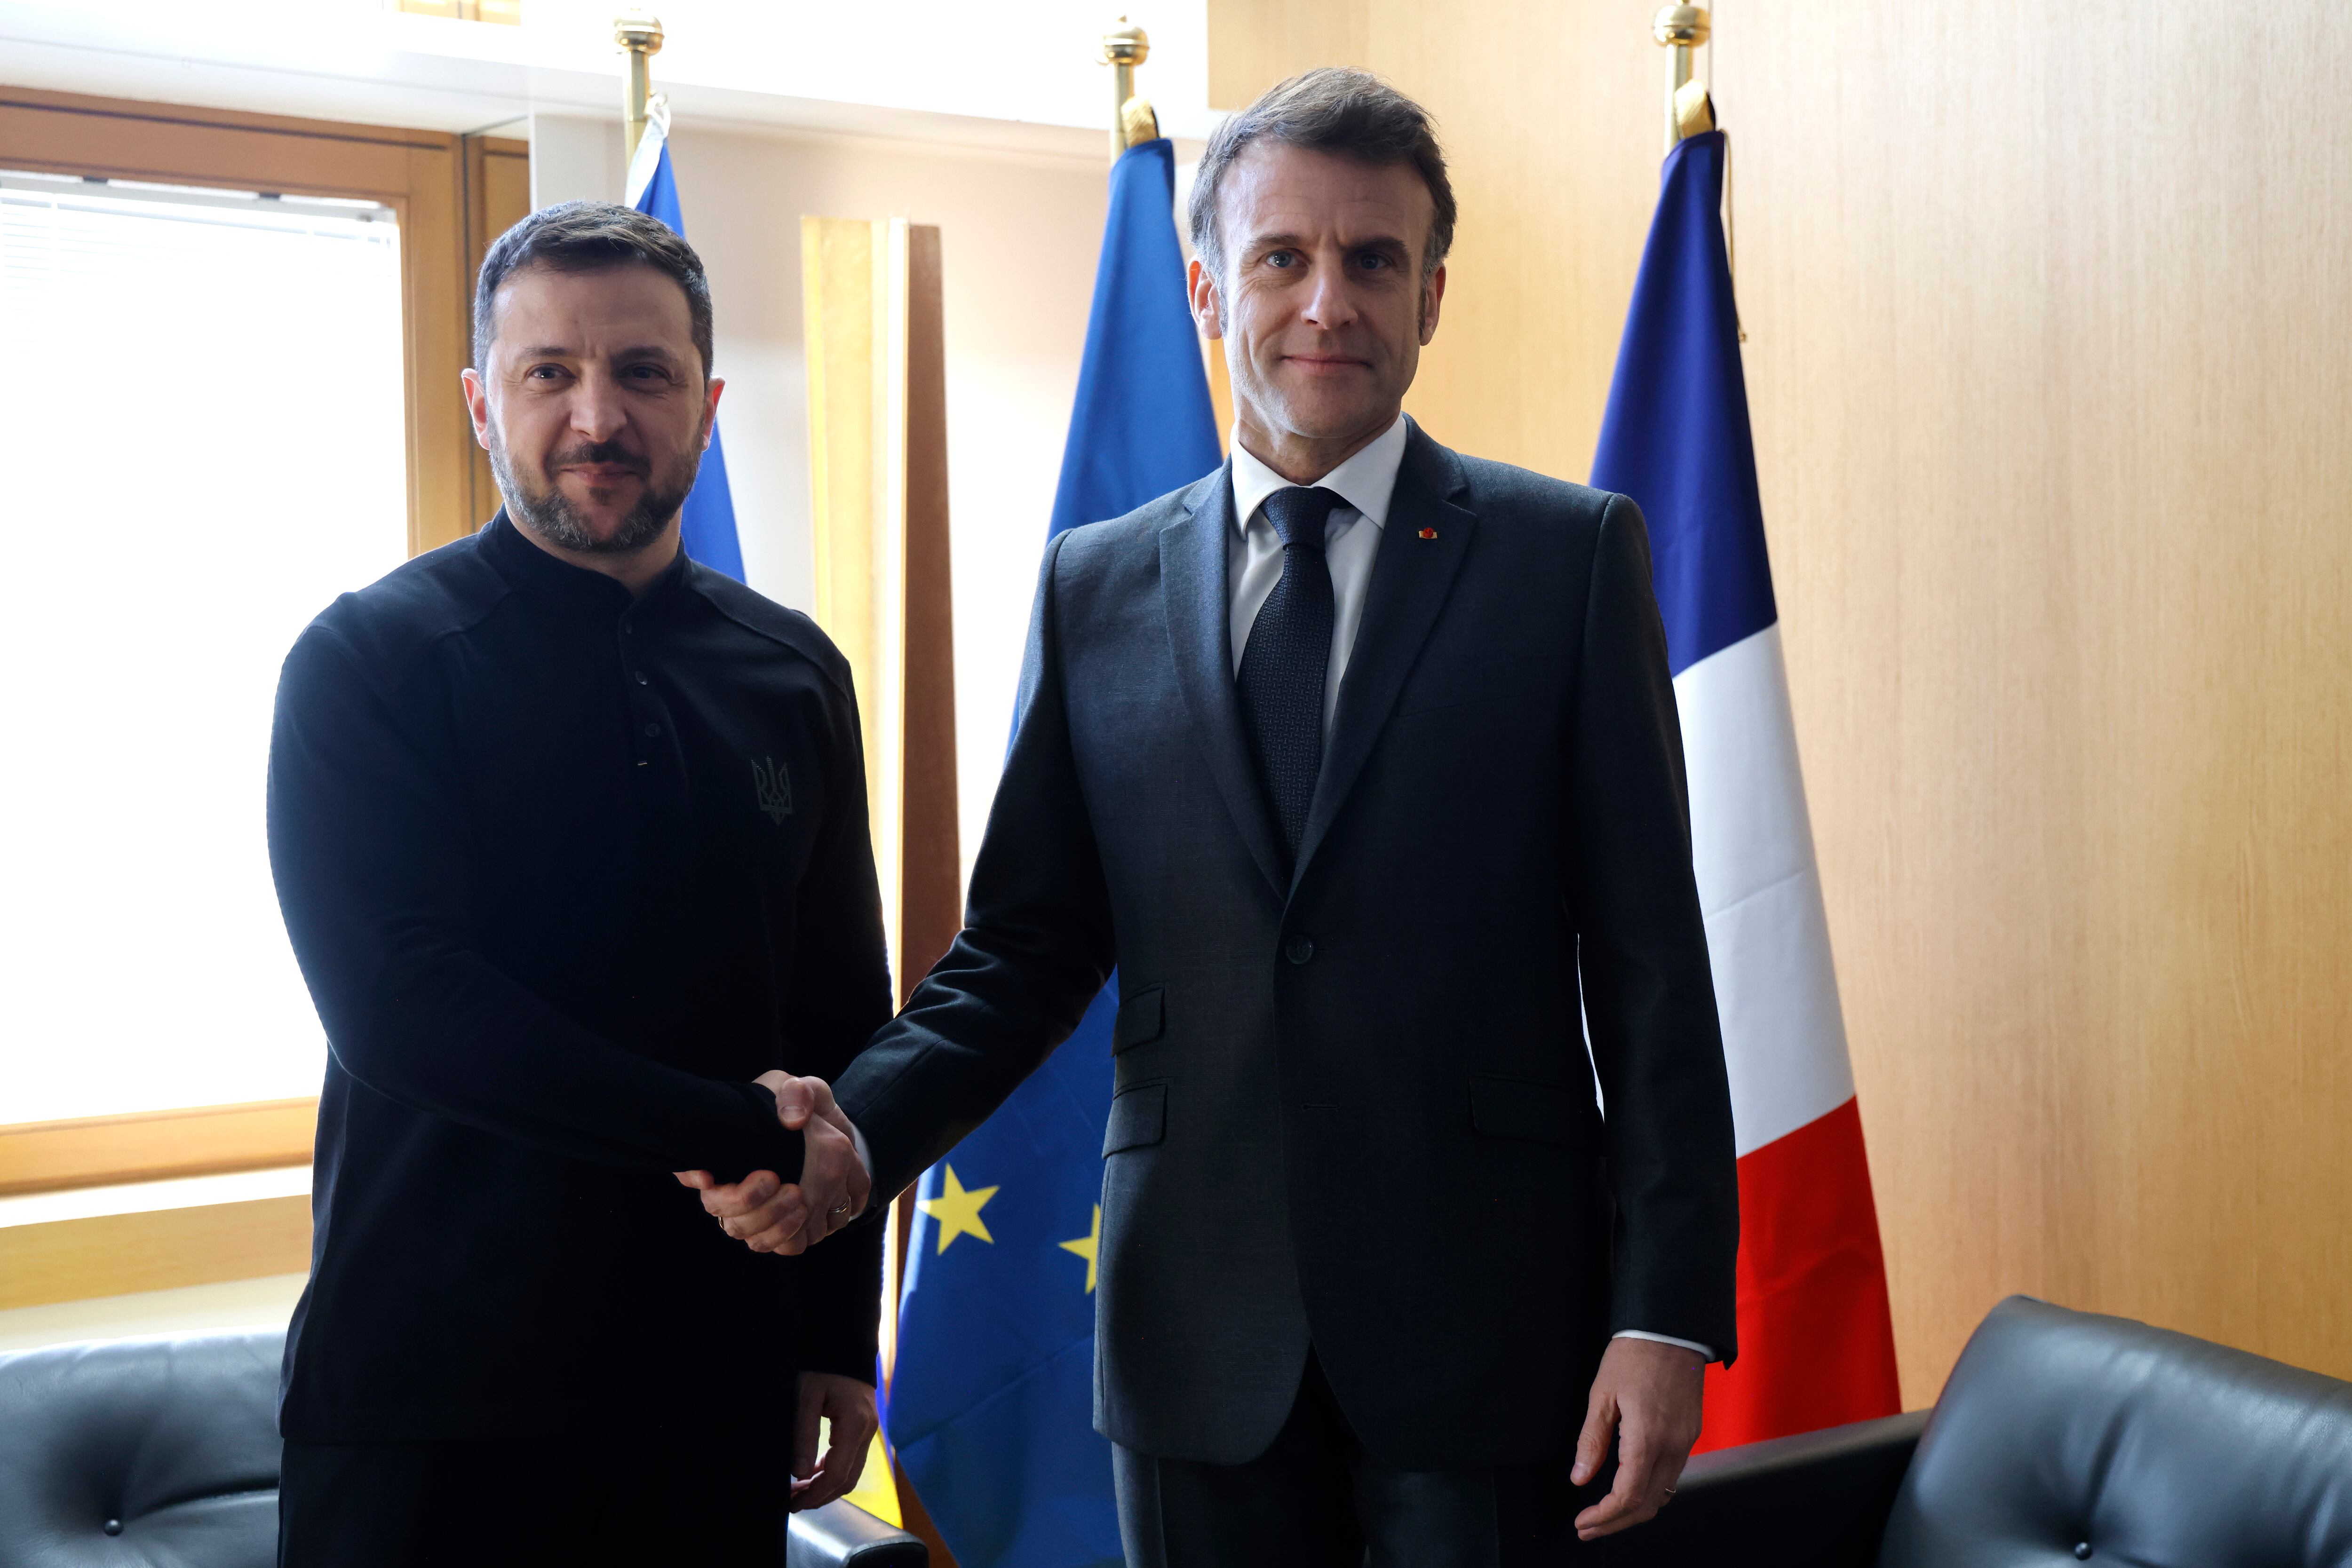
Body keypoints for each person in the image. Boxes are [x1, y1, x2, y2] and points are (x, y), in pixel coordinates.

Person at [696, 68, 1739, 1563]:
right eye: (1282, 258)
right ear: (1205, 284)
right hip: (1196, 1336)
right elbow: (1025, 954)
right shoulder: (1095, 583)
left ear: (1432, 294)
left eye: (1375, 260)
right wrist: (855, 1130)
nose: (1330, 301)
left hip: (1496, 1340)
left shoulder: (1567, 563)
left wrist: (1666, 1317)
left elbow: (1651, 969)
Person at [266, 201, 883, 1565]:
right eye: (550, 372)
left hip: (711, 1396)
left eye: (644, 373)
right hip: (433, 1405)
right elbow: (406, 1009)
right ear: (483, 402)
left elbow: (841, 1015)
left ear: (707, 404)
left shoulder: (793, 673)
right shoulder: (368, 665)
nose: (598, 416)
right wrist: (741, 1129)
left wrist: (837, 1328)